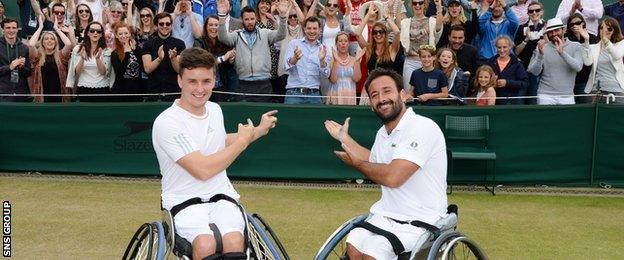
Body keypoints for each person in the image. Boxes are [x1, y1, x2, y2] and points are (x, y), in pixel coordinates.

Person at [152, 47, 278, 260]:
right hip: (183, 200)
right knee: (205, 243)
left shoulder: (215, 110)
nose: (200, 89)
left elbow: (222, 142)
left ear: (214, 80)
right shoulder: (167, 122)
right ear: (180, 81)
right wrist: (242, 143)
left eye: (206, 81)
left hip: (222, 196)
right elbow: (202, 169)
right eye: (192, 81)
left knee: (234, 240)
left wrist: (258, 130)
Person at [324, 68, 448, 260]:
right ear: (371, 104)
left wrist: (355, 164)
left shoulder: (423, 127)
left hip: (423, 219)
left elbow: (392, 177)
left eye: (387, 91)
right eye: (374, 95)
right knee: (354, 242)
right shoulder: (382, 133)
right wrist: (345, 139)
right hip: (387, 215)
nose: (381, 98)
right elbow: (373, 161)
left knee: (375, 249)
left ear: (403, 95)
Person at [218, 5, 287, 103]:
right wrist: (221, 17)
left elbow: (281, 35)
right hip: (243, 83)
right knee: (245, 115)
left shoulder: (265, 33)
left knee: (263, 114)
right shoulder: (237, 35)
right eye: (246, 19)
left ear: (256, 19)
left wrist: (283, 16)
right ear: (242, 20)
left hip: (264, 83)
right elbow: (223, 38)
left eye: (252, 19)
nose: (250, 22)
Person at [527, 18, 585, 105]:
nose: (554, 34)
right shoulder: (542, 47)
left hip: (567, 95)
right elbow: (534, 72)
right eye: (550, 31)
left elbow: (578, 67)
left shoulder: (576, 46)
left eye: (556, 30)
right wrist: (540, 55)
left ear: (564, 30)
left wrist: (562, 52)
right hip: (545, 95)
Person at [283, 16, 330, 104]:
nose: (312, 31)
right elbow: (286, 67)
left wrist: (322, 60)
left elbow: (326, 74)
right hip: (293, 94)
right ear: (304, 29)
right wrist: (295, 58)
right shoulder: (294, 43)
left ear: (320, 30)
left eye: (315, 28)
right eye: (309, 28)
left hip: (314, 95)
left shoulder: (323, 49)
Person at [27, 14, 75, 102]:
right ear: (42, 43)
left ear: (56, 43)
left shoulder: (61, 56)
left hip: (61, 96)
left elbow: (68, 44)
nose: (49, 41)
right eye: (46, 39)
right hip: (42, 97)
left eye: (52, 39)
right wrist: (40, 27)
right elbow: (31, 44)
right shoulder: (38, 57)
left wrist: (56, 28)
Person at [142, 12, 186, 101]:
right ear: (156, 26)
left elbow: (179, 70)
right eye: (161, 24)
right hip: (154, 92)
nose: (164, 26)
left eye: (168, 23)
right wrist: (159, 59)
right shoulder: (148, 44)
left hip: (174, 92)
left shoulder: (180, 44)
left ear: (171, 25)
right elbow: (147, 69)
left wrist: (173, 58)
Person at [66, 21, 113, 102]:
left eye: (98, 31)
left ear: (101, 34)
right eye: (92, 31)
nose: (95, 33)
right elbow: (77, 72)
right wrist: (82, 59)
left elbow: (103, 72)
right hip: (83, 88)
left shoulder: (106, 50)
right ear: (87, 33)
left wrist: (98, 59)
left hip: (102, 89)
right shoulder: (78, 49)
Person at [194, 15, 236, 102]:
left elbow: (227, 67)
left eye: (216, 25)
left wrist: (231, 60)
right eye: (211, 25)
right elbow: (202, 63)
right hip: (203, 87)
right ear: (206, 27)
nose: (213, 28)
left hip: (221, 87)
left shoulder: (224, 43)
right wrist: (224, 58)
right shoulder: (199, 42)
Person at [582, 18, 624, 103]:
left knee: (616, 116)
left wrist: (606, 40)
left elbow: (617, 55)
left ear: (614, 31)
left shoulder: (620, 44)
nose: (605, 31)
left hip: (616, 90)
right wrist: (586, 41)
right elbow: (587, 62)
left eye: (609, 28)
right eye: (602, 28)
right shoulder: (593, 47)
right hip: (596, 90)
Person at [514, 1, 545, 104]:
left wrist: (546, 38)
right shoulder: (521, 27)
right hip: (523, 68)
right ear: (528, 13)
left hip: (541, 70)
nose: (534, 13)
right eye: (531, 11)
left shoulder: (548, 28)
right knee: (519, 99)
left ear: (542, 12)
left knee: (533, 99)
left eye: (537, 10)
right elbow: (516, 52)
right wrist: (526, 39)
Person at [565, 13, 598, 104]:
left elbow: (591, 58)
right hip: (570, 79)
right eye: (572, 24)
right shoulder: (567, 38)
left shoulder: (592, 37)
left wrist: (583, 38)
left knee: (585, 107)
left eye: (578, 23)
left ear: (583, 23)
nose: (575, 26)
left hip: (586, 79)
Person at [486, 35, 528, 105]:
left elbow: (525, 83)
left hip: (511, 102)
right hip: (492, 101)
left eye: (504, 47)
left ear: (510, 47)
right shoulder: (490, 62)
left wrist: (507, 83)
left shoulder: (517, 64)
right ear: (496, 47)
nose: (502, 50)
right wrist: (492, 82)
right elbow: (482, 80)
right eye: (499, 47)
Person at [111, 21, 145, 101]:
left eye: (126, 33)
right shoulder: (114, 53)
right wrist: (126, 53)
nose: (123, 36)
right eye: (120, 34)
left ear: (130, 34)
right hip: (121, 92)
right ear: (116, 36)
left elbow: (143, 68)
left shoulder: (137, 49)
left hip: (137, 90)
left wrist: (136, 51)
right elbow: (119, 73)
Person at [327, 31, 364, 105]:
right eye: (340, 41)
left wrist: (357, 61)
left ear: (348, 44)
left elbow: (356, 79)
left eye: (345, 41)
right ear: (336, 44)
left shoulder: (354, 59)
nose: (343, 43)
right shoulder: (332, 59)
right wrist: (336, 61)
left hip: (350, 96)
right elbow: (333, 80)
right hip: (335, 95)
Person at [0, 18, 32, 102]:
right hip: (3, 93)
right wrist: (10, 67)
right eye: (8, 28)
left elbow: (28, 72)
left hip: (21, 93)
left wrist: (22, 67)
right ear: (3, 30)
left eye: (14, 28)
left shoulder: (24, 48)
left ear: (17, 29)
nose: (11, 30)